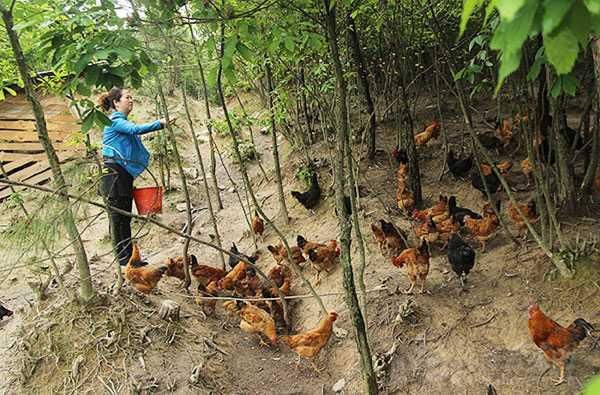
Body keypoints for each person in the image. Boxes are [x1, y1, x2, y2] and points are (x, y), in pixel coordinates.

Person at [98, 87, 172, 266]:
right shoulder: (115, 121)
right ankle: (122, 259)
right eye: (127, 97)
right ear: (116, 102)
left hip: (122, 174)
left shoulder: (121, 122)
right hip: (113, 174)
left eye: (132, 97)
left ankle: (130, 257)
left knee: (126, 217)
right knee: (117, 217)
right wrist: (160, 123)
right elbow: (136, 130)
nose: (131, 100)